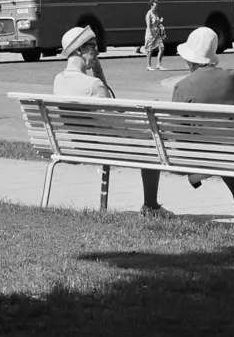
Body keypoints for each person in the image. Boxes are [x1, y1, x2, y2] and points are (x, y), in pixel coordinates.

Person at [54, 26, 172, 219]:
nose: (98, 51)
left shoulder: (58, 80)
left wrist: (96, 70)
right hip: (104, 147)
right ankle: (151, 205)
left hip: (73, 145)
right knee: (151, 142)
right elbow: (117, 119)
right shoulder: (93, 85)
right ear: (78, 50)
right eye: (93, 47)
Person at [172, 26, 234, 228]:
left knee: (219, 143)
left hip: (206, 151)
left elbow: (177, 130)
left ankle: (204, 172)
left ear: (190, 58)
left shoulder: (182, 86)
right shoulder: (231, 77)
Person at [143, 0, 166, 69]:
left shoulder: (156, 13)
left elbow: (157, 22)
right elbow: (148, 25)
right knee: (150, 50)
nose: (156, 7)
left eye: (157, 6)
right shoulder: (148, 14)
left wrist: (160, 21)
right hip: (151, 34)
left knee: (162, 48)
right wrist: (151, 33)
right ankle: (148, 66)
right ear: (151, 6)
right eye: (155, 6)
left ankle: (158, 64)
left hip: (157, 33)